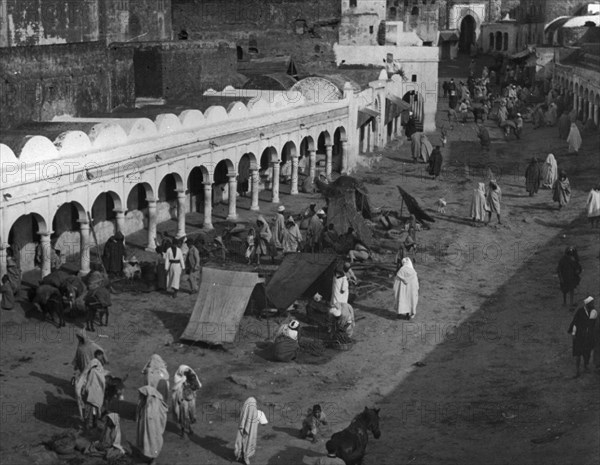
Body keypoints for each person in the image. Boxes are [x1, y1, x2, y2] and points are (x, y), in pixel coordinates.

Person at [136, 385, 168, 465]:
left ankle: (153, 460)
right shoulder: (143, 401)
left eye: (142, 394)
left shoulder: (154, 402)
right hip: (145, 426)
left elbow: (160, 414)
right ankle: (149, 457)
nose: (140, 395)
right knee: (146, 441)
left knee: (153, 442)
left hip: (153, 428)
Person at [568, 297, 598, 377]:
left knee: (587, 352)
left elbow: (594, 325)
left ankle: (585, 366)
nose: (593, 305)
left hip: (588, 336)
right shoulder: (580, 311)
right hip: (579, 336)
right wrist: (574, 333)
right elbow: (575, 323)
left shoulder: (593, 311)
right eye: (591, 303)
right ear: (587, 304)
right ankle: (577, 370)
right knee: (578, 354)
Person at [234, 397, 268, 465]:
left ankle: (240, 455)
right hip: (251, 433)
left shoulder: (244, 412)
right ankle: (245, 457)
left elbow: (241, 422)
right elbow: (264, 423)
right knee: (248, 443)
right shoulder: (259, 413)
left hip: (242, 430)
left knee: (241, 442)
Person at [171, 364, 201, 437]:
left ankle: (189, 429)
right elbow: (176, 390)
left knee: (190, 413)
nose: (186, 372)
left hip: (190, 399)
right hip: (182, 400)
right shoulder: (177, 378)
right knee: (183, 415)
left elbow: (197, 386)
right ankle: (183, 430)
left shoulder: (191, 375)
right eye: (185, 372)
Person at [79, 350, 106, 430]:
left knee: (95, 410)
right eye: (100, 355)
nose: (101, 357)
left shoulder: (98, 367)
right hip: (92, 392)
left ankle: (93, 424)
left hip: (96, 392)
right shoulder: (94, 370)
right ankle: (88, 425)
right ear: (97, 355)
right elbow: (89, 379)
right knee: (90, 410)